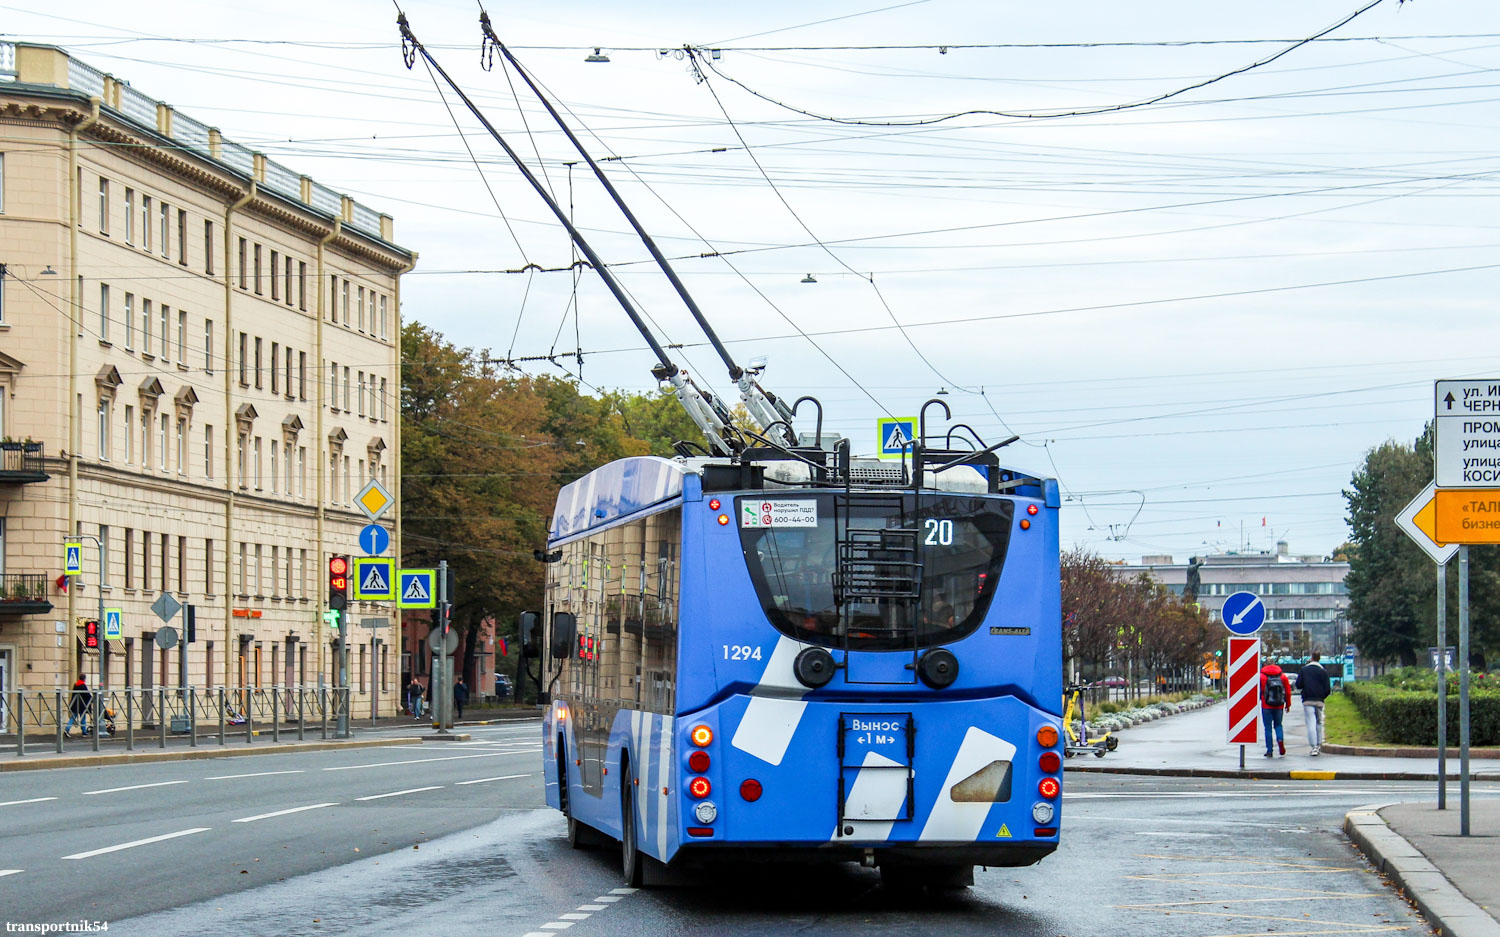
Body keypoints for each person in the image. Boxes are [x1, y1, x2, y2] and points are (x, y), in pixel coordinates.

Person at [1296, 653, 1332, 756]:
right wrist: (1322, 697)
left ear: (1311, 658)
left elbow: (1298, 685)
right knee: (1319, 722)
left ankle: (1314, 746)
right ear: (1319, 659)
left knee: (1311, 722)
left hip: (1307, 700)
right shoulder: (1323, 671)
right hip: (1319, 700)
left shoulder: (1304, 670)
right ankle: (1319, 743)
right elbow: (1327, 688)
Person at [1260, 662, 1292, 757]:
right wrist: (1288, 705)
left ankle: (1269, 750)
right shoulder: (1282, 677)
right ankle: (1280, 740)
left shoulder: (1261, 677)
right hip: (1279, 706)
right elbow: (1287, 692)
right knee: (1278, 725)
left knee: (1268, 728)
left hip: (1266, 706)